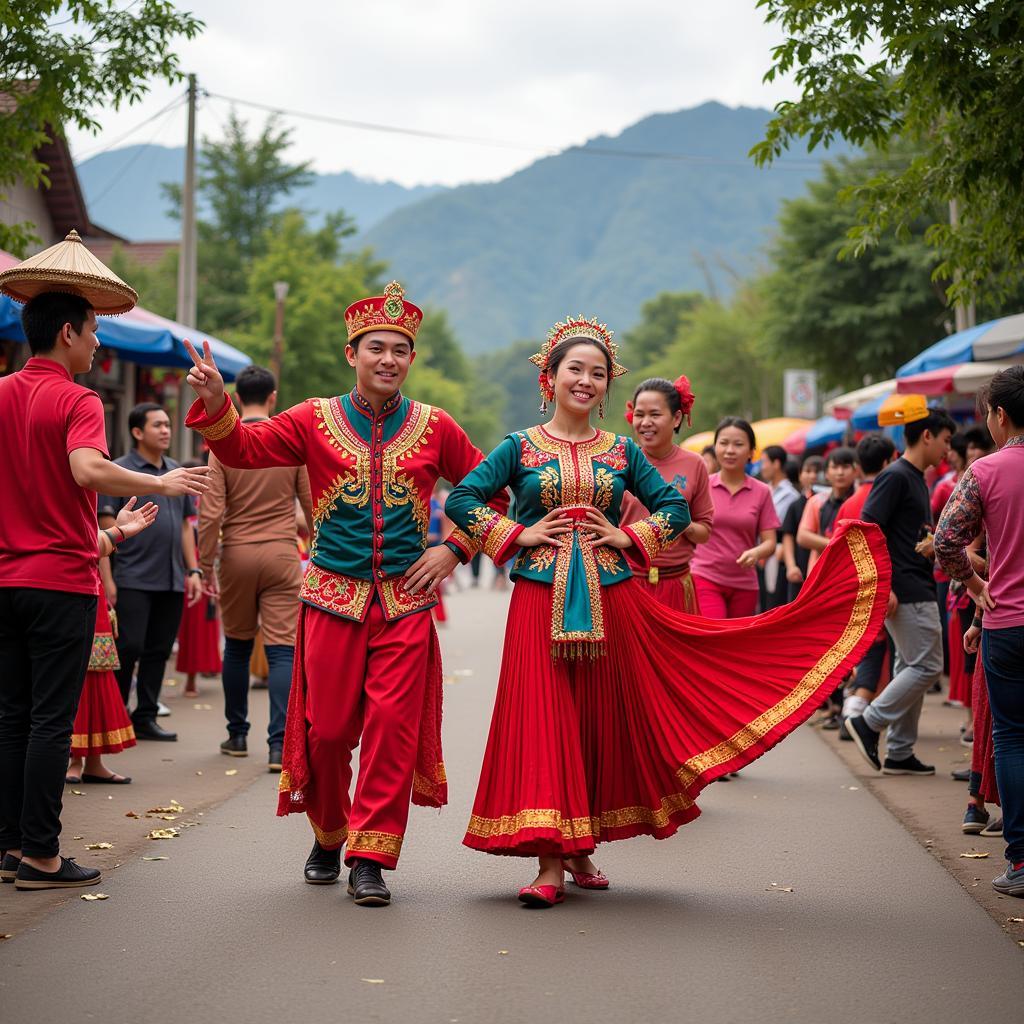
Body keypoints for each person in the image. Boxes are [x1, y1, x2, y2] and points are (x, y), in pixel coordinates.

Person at [444, 316, 889, 906]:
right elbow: (462, 497)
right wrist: (517, 535)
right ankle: (550, 861)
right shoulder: (518, 446)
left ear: (608, 389)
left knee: (600, 719)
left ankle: (580, 848)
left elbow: (674, 511)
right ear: (549, 378)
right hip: (537, 598)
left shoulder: (622, 451)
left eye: (598, 374)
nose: (586, 381)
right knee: (545, 718)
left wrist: (630, 538)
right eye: (574, 370)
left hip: (614, 599)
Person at [183, 282, 506, 907]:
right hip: (331, 598)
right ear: (350, 353)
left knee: (390, 729)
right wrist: (220, 402)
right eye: (376, 348)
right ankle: (329, 834)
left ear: (412, 359)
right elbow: (244, 449)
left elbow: (490, 492)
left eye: (401, 350)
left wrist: (454, 550)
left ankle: (369, 857)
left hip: (406, 607)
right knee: (328, 732)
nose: (389, 359)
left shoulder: (437, 427)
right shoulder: (311, 418)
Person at [0, 230, 207, 891]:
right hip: (60, 582)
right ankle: (41, 854)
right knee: (49, 722)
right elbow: (88, 469)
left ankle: (10, 845)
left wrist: (114, 533)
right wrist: (162, 483)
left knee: (10, 716)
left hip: (5, 580)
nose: (97, 345)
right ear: (66, 332)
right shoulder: (78, 399)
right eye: (92, 334)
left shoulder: (2, 393)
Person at [197, 365, 314, 770]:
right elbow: (313, 504)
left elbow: (210, 513)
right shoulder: (291, 444)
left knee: (238, 646)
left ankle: (236, 735)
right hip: (283, 554)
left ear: (236, 395)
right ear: (273, 397)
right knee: (283, 650)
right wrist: (319, 549)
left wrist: (204, 563)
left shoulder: (222, 446)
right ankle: (279, 746)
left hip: (237, 556)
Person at [935, 365, 1024, 896]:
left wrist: (973, 588)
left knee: (1012, 740)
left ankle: (1020, 861)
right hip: (1001, 619)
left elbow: (947, 541)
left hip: (1009, 624)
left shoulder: (987, 471)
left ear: (1000, 415)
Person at [846, 404, 956, 777]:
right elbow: (867, 527)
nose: (947, 450)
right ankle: (868, 722)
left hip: (913, 583)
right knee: (928, 665)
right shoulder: (896, 476)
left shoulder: (914, 478)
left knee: (910, 665)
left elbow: (900, 533)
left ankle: (899, 752)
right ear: (926, 435)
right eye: (945, 440)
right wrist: (884, 584)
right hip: (906, 588)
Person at [98, 404, 204, 742]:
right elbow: (103, 525)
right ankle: (115, 717)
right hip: (132, 577)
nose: (165, 430)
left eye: (168, 424)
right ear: (137, 432)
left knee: (159, 649)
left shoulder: (175, 471)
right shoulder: (118, 471)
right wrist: (108, 578)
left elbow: (187, 527)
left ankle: (145, 715)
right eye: (157, 425)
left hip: (171, 577)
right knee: (129, 646)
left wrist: (193, 569)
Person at [619, 376, 714, 613]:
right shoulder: (620, 462)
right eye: (640, 415)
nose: (645, 422)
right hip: (627, 583)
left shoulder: (695, 464)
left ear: (677, 418)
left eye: (655, 414)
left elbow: (704, 533)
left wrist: (678, 523)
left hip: (676, 585)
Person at [836, 435, 897, 730]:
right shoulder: (891, 495)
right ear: (888, 462)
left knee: (861, 646)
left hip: (851, 584)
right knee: (882, 648)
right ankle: (859, 708)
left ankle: (856, 703)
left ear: (858, 466)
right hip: (885, 585)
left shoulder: (849, 503)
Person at [690, 418, 779, 619]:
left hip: (745, 584)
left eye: (738, 444)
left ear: (751, 452)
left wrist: (756, 552)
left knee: (738, 646)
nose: (730, 450)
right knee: (715, 635)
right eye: (724, 443)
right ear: (716, 448)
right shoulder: (701, 485)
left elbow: (770, 542)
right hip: (705, 576)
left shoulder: (762, 491)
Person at [67, 596, 137, 785]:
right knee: (76, 673)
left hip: (92, 589)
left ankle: (93, 763)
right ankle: (76, 760)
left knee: (97, 673)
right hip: (70, 589)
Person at [796, 446, 857, 575]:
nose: (840, 472)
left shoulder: (860, 500)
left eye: (845, 467)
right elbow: (802, 537)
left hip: (851, 574)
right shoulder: (817, 501)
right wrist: (838, 545)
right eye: (834, 467)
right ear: (826, 474)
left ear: (855, 471)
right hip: (819, 573)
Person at [760, 444, 801, 609]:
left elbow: (784, 529)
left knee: (773, 603)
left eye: (764, 462)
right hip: (761, 553)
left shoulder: (790, 495)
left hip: (776, 554)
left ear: (776, 464)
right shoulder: (766, 489)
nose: (762, 468)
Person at [780, 455, 823, 602]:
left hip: (823, 569)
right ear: (800, 474)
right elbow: (788, 536)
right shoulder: (795, 505)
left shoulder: (830, 503)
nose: (812, 475)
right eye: (808, 471)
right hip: (800, 569)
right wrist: (791, 566)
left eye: (817, 471)